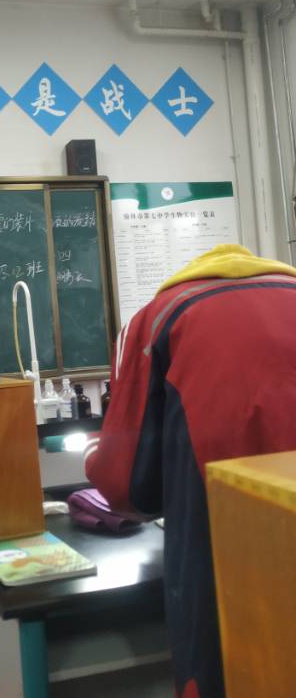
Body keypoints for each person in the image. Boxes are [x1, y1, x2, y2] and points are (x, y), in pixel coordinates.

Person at [86, 244, 296, 698]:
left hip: (217, 552)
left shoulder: (158, 319)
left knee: (226, 669)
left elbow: (128, 486)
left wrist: (92, 458)